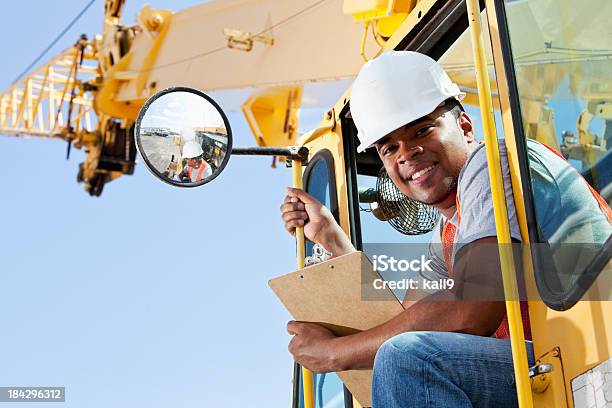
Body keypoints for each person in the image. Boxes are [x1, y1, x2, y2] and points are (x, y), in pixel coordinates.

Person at [279, 51, 612, 407]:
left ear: (465, 128)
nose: (407, 153)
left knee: (410, 360)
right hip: (555, 367)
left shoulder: (495, 164)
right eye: (390, 148)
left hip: (591, 356)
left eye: (421, 129)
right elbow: (404, 324)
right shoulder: (449, 233)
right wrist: (333, 240)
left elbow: (472, 313)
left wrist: (334, 354)